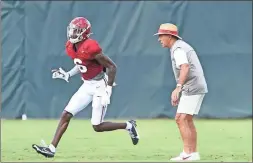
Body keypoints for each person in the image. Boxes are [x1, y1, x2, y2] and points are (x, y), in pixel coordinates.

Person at [32, 17, 139, 158]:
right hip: (87, 84)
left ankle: (129, 126)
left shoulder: (91, 46)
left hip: (100, 85)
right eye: (71, 30)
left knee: (97, 126)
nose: (72, 33)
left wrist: (108, 89)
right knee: (66, 114)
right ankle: (51, 149)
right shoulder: (71, 46)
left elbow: (112, 67)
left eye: (76, 31)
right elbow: (82, 63)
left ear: (84, 33)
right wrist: (68, 74)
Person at [154, 23, 208, 161]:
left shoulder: (178, 48)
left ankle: (187, 153)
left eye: (161, 36)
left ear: (169, 36)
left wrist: (178, 87)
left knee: (181, 119)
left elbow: (185, 67)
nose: (159, 39)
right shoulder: (180, 47)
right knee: (187, 119)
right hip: (196, 85)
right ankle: (193, 153)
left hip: (192, 86)